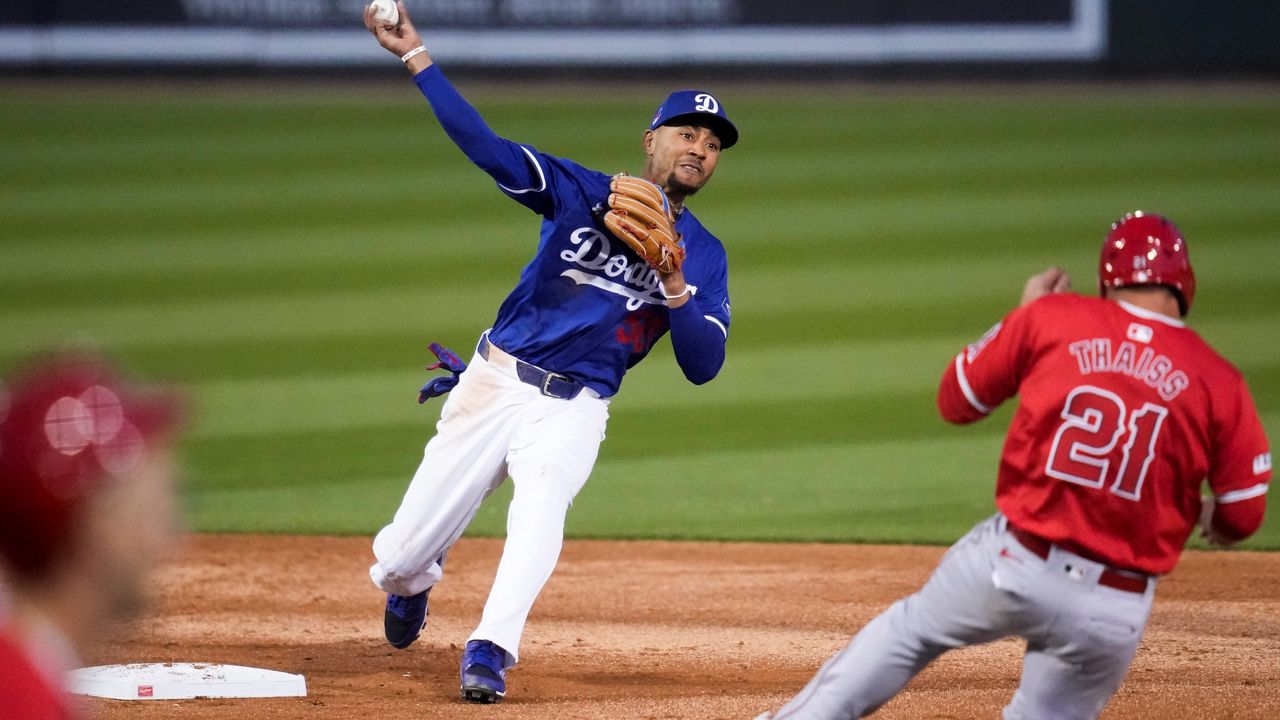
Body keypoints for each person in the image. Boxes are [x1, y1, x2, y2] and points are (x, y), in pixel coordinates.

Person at [362, 1, 738, 704]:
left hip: (575, 409)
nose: (699, 149)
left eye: (712, 144)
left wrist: (675, 283)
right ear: (651, 140)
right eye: (687, 133)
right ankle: (411, 582)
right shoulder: (581, 193)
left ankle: (490, 648)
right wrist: (416, 56)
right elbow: (486, 146)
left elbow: (702, 366)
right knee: (402, 555)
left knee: (540, 511)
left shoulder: (704, 257)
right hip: (494, 382)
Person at [758, 212, 1271, 720]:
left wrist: (1021, 317)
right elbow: (1243, 515)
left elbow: (957, 401)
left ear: (1107, 280)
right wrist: (1210, 516)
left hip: (1014, 567)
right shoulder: (1218, 379)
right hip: (1112, 609)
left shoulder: (1055, 316)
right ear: (1185, 285)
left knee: (909, 633)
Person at [0, 354, 183, 720]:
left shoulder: (23, 674)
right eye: (145, 512)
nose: (173, 535)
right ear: (99, 527)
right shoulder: (21, 701)